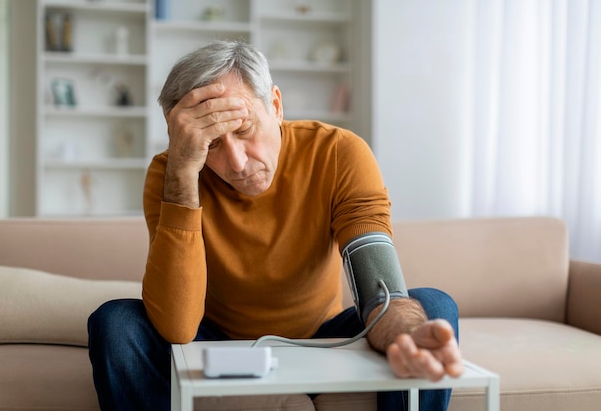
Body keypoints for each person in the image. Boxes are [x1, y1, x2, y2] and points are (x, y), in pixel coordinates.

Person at [88, 40, 463, 411]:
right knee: (117, 322)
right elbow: (178, 328)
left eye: (245, 129)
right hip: (216, 341)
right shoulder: (171, 174)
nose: (236, 162)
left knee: (430, 306)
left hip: (322, 339)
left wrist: (408, 334)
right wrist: (183, 175)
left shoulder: (338, 153)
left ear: (277, 105)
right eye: (211, 144)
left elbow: (381, 292)